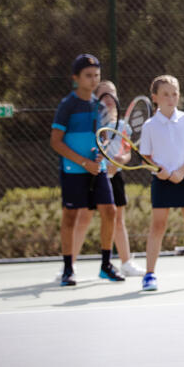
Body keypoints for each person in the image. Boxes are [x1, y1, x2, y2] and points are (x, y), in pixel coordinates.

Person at [49, 54, 125, 286]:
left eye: (97, 76)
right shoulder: (67, 106)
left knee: (110, 211)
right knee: (71, 216)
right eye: (88, 76)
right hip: (74, 170)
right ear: (76, 78)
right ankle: (68, 269)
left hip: (97, 170)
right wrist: (84, 162)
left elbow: (100, 137)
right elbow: (56, 141)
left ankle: (105, 265)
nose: (93, 80)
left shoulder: (98, 106)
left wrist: (100, 154)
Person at [138, 75, 184, 291]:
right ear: (155, 98)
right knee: (158, 226)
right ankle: (149, 275)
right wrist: (158, 171)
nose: (171, 98)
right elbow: (145, 157)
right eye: (165, 94)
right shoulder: (150, 125)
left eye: (175, 94)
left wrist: (181, 171)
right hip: (161, 182)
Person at [70, 80, 146, 277]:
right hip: (94, 176)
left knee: (118, 220)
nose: (109, 99)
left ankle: (126, 263)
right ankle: (69, 264)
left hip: (115, 177)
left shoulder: (123, 126)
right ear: (97, 99)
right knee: (83, 219)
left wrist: (120, 159)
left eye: (112, 94)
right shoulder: (92, 121)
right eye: (104, 95)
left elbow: (127, 153)